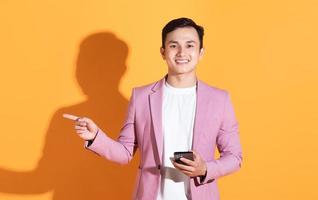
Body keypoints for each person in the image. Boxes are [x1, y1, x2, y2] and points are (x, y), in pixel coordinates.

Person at [64, 17, 242, 200]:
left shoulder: (219, 99)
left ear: (201, 52)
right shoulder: (141, 97)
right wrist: (95, 137)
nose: (182, 52)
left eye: (190, 45)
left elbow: (234, 157)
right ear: (163, 52)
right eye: (174, 46)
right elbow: (125, 153)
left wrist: (205, 168)